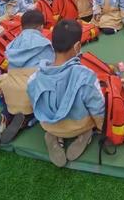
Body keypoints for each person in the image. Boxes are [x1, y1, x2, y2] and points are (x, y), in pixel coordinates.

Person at [27, 20, 105, 168]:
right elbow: (98, 110)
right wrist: (101, 128)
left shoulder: (34, 77)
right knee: (93, 109)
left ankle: (54, 136)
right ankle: (85, 134)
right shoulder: (86, 76)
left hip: (47, 124)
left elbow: (34, 102)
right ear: (77, 46)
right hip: (78, 125)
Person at [0, 10, 54, 148]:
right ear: (40, 27)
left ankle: (4, 118)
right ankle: (24, 121)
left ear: (22, 26)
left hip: (9, 89)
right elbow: (50, 68)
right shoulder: (45, 43)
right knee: (36, 102)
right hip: (30, 90)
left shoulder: (13, 44)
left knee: (10, 104)